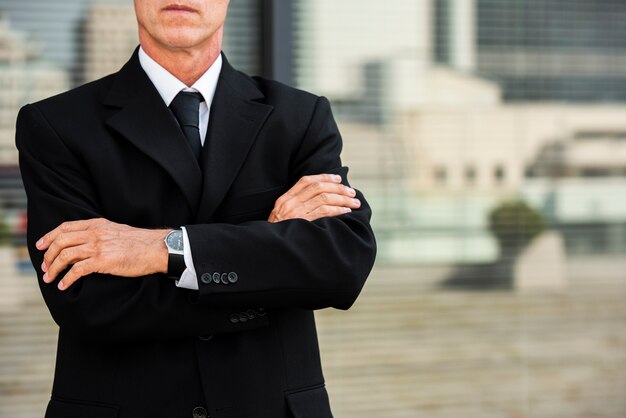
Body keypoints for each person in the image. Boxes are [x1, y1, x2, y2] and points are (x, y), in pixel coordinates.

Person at [16, 1, 376, 417]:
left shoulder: (300, 118)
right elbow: (84, 300)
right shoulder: (55, 125)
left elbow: (341, 263)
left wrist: (161, 250)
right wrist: (268, 253)